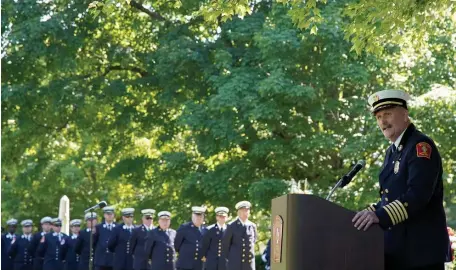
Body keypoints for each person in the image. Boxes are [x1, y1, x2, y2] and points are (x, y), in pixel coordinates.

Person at [352, 89, 450, 270]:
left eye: (387, 114)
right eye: (378, 116)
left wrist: (379, 216)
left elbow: (417, 195)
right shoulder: (392, 151)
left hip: (421, 254)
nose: (382, 121)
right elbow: (390, 197)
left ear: (405, 114)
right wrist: (366, 214)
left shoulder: (420, 146)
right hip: (398, 251)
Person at [222, 201, 257, 270]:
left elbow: (254, 241)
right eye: (243, 211)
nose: (245, 213)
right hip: (235, 264)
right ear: (238, 212)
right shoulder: (231, 226)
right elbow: (225, 245)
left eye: (247, 210)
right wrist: (231, 258)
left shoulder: (252, 226)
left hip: (249, 264)